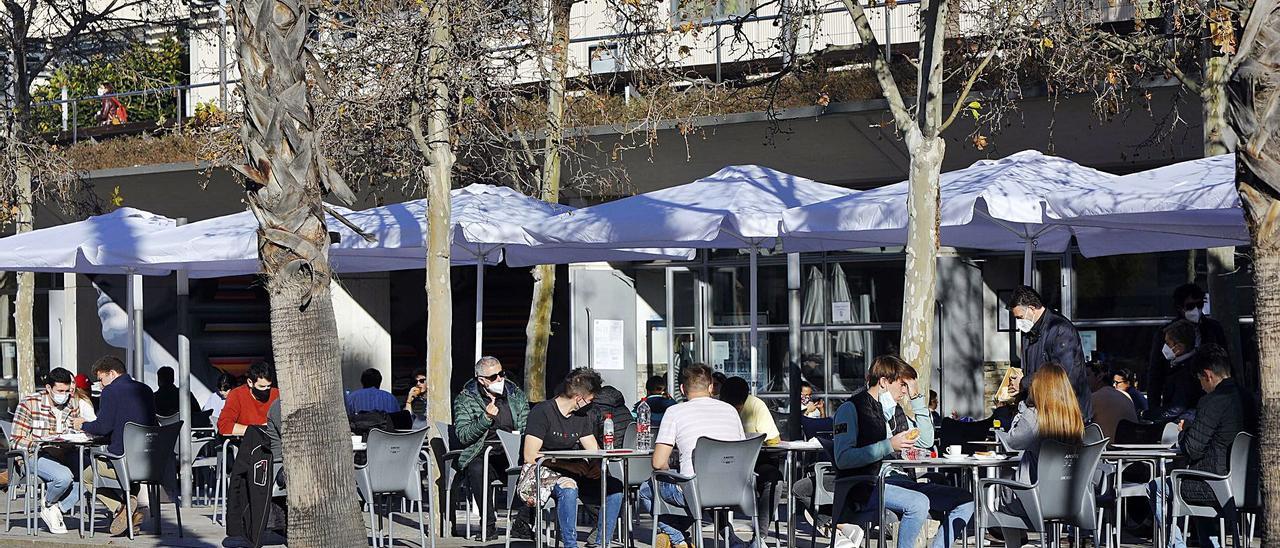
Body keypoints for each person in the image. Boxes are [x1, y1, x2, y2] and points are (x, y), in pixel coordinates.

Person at [833, 356, 973, 548]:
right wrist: (889, 445)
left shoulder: (895, 412)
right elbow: (843, 459)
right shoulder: (851, 409)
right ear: (883, 382)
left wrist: (916, 399)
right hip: (868, 484)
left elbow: (925, 440)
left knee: (965, 500)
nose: (905, 392)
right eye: (903, 385)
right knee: (918, 503)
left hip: (902, 481)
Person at [1151, 344, 1256, 548]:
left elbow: (1192, 448)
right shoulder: (1248, 398)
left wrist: (1184, 432)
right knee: (1194, 483)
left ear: (1207, 375)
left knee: (1157, 487)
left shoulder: (1212, 401)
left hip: (1214, 485)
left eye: (1200, 379)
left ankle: (1177, 546)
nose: (1200, 385)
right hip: (1246, 485)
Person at [639, 363, 745, 548]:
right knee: (703, 487)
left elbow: (658, 463)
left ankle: (677, 538)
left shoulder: (674, 412)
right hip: (734, 489)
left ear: (682, 389)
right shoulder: (731, 411)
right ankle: (732, 541)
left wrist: (672, 471)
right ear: (711, 387)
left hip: (695, 490)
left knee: (646, 490)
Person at [523, 368, 623, 548]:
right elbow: (530, 455)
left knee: (614, 488)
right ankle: (570, 545)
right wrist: (568, 466)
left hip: (575, 471)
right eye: (591, 399)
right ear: (579, 398)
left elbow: (593, 448)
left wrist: (595, 464)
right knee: (568, 487)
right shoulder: (542, 412)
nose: (592, 404)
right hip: (543, 473)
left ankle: (601, 543)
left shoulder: (581, 416)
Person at [1000, 362, 1087, 545]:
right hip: (1070, 498)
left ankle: (1016, 544)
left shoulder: (1034, 416)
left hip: (1035, 499)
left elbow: (1013, 441)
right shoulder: (1074, 418)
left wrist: (1023, 405)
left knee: (1003, 495)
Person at [72, 356, 156, 536]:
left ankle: (120, 508)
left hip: (123, 463)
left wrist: (82, 424)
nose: (101, 385)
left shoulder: (111, 392)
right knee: (123, 476)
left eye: (101, 379)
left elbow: (102, 427)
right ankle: (129, 511)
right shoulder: (146, 390)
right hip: (150, 463)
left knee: (87, 475)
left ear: (112, 373)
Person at [452, 356, 532, 539]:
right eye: (493, 377)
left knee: (535, 470)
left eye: (501, 374)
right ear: (481, 380)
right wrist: (485, 418)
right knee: (477, 469)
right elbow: (463, 435)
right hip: (481, 451)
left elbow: (526, 424)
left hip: (513, 450)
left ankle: (522, 522)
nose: (499, 379)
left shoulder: (514, 393)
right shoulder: (466, 398)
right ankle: (488, 525)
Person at [10, 368, 92, 534]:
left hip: (65, 452)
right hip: (34, 455)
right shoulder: (29, 403)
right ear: (48, 388)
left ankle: (55, 508)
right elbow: (16, 440)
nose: (64, 394)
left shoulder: (72, 403)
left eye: (67, 391)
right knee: (64, 477)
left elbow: (72, 433)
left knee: (91, 473)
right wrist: (42, 446)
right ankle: (48, 503)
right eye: (59, 391)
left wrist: (81, 429)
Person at [1007, 285, 1091, 420]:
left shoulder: (1060, 329)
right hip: (1043, 408)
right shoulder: (1030, 332)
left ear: (1032, 309)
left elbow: (1060, 373)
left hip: (1065, 411)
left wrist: (1023, 382)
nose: (1018, 323)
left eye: (1020, 317)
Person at [1148, 319, 1207, 421]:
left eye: (1168, 343)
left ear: (1179, 347)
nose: (1164, 347)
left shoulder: (1187, 371)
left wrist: (1149, 414)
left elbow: (1177, 407)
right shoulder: (1179, 365)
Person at [218, 361, 279, 436]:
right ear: (250, 382)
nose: (266, 390)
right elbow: (224, 426)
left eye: (269, 386)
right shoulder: (237, 395)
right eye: (262, 387)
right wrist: (257, 430)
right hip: (247, 442)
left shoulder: (276, 394)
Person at [1087, 361, 1137, 441]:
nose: (1084, 379)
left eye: (1088, 375)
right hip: (1131, 447)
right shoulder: (1126, 396)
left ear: (1099, 377)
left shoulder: (1094, 398)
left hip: (1107, 449)